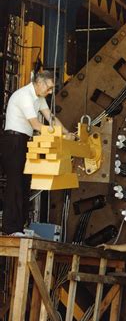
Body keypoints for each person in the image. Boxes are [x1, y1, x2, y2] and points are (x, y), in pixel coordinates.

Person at [1, 70, 72, 236]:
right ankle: (10, 228)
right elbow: (36, 125)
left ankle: (19, 226)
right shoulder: (24, 95)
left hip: (24, 141)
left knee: (25, 184)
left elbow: (50, 117)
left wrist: (67, 133)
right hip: (13, 141)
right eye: (49, 88)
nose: (50, 92)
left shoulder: (39, 98)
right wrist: (58, 133)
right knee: (15, 184)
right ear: (39, 83)